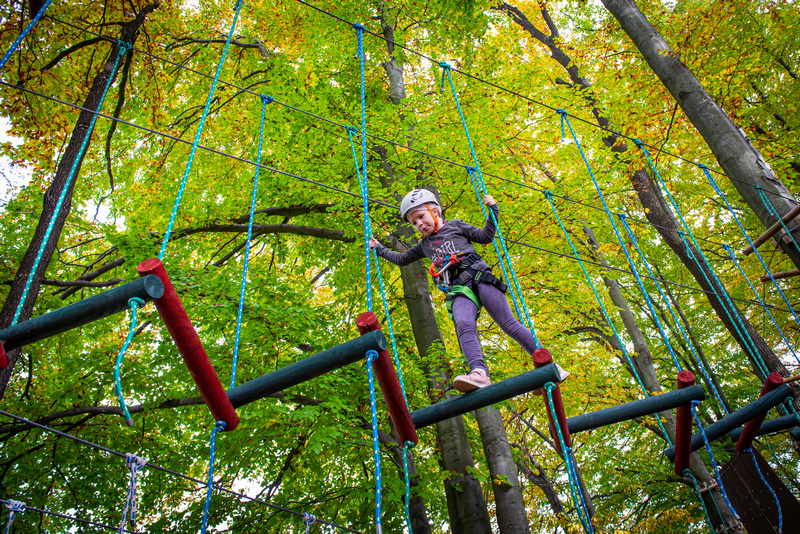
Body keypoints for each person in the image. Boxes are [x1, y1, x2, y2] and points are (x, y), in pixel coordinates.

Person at [369, 188, 567, 393]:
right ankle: (479, 372)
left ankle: (549, 364)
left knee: (508, 323)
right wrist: (379, 248)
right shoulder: (424, 245)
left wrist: (493, 212)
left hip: (479, 276)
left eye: (421, 216)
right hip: (459, 288)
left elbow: (485, 236)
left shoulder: (455, 225)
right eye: (414, 222)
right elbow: (402, 259)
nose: (419, 224)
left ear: (435, 211)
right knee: (463, 322)